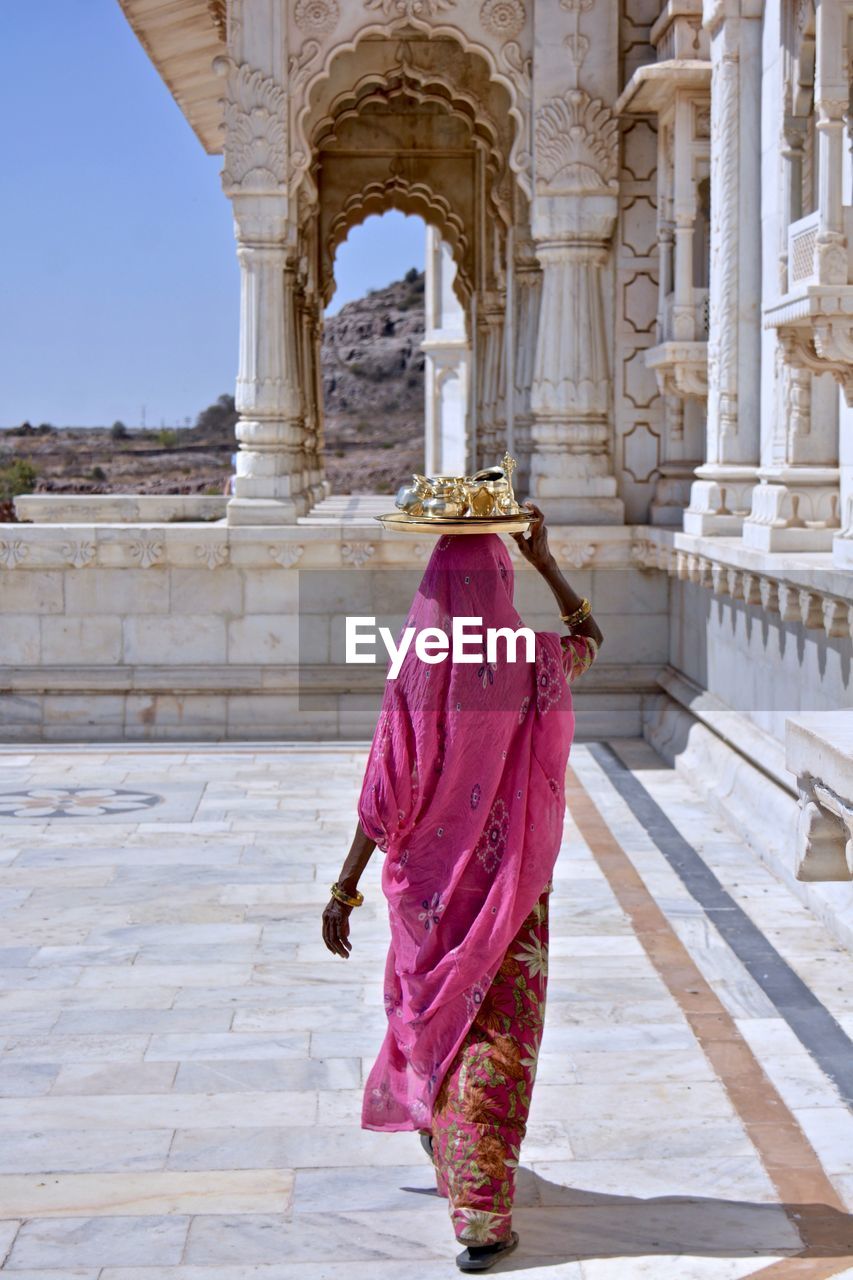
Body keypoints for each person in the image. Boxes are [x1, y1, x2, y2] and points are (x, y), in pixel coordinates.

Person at [322, 500, 603, 1272]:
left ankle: (453, 1154)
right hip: (506, 881)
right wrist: (546, 559)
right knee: (497, 1029)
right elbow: (589, 640)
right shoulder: (531, 656)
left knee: (432, 1011)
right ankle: (480, 1210)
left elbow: (386, 790)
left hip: (427, 888)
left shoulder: (416, 661)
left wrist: (345, 886)